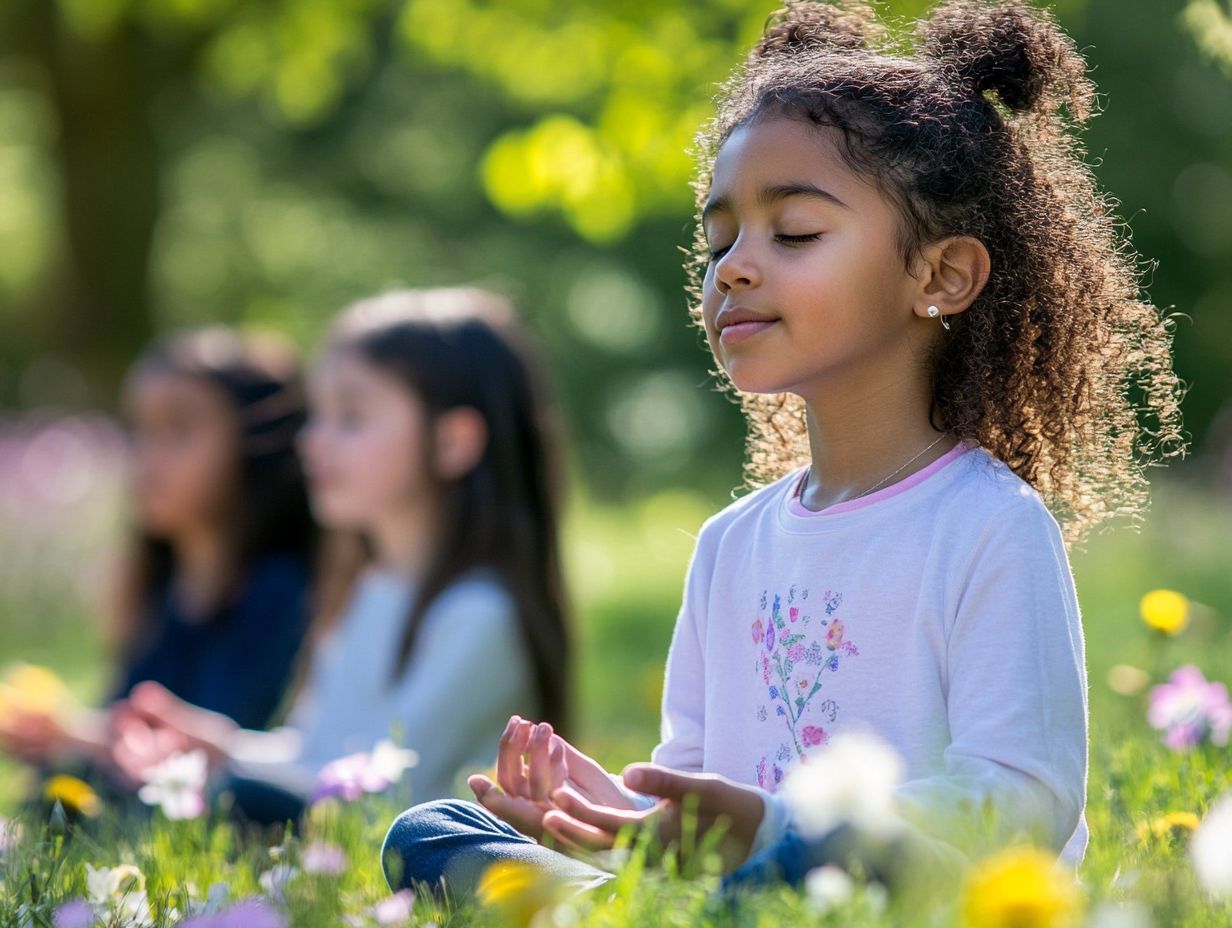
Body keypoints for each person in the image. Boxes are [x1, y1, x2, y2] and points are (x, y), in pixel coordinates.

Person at [380, 0, 1184, 899]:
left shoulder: (988, 524)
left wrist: (778, 829)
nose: (733, 267)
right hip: (736, 891)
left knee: (814, 865)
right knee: (431, 833)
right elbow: (692, 794)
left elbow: (1025, 801)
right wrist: (609, 816)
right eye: (719, 238)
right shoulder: (730, 543)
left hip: (890, 899)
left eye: (793, 232)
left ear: (941, 275)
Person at [113, 288, 572, 822]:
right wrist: (223, 747)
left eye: (350, 418)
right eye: (318, 415)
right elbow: (316, 754)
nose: (313, 442)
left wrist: (232, 776)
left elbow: (379, 800)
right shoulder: (366, 591)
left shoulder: (479, 614)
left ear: (452, 442)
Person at [0, 328, 316, 777]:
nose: (147, 457)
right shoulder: (158, 588)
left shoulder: (282, 592)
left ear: (254, 446)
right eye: (138, 431)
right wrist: (62, 738)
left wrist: (83, 738)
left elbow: (222, 744)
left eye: (178, 431)